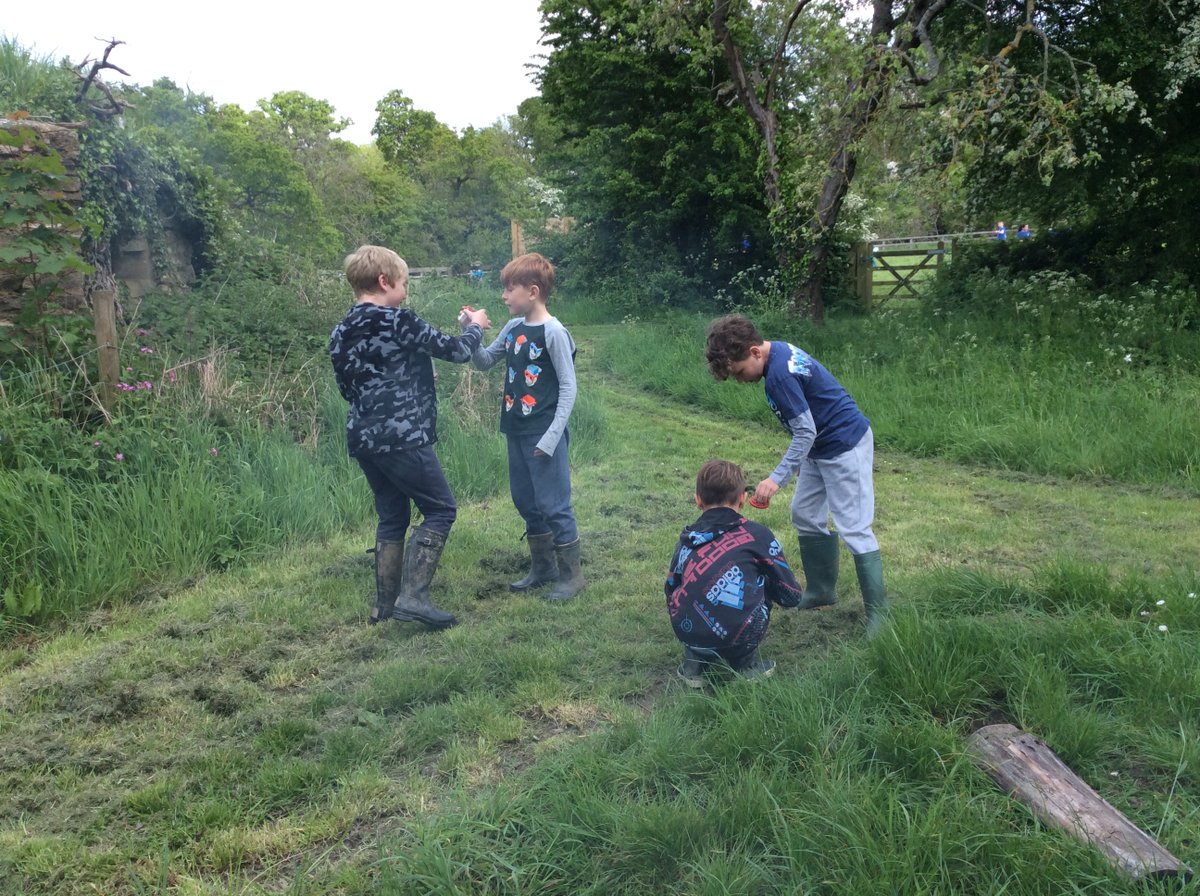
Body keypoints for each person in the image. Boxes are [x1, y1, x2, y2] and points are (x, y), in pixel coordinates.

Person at [329, 245, 491, 629]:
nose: (405, 292)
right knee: (441, 509)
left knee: (392, 515)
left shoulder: (340, 331)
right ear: (384, 282)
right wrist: (475, 327)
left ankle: (384, 607)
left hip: (364, 437)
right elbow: (454, 351)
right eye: (403, 284)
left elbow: (351, 388)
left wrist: (408, 379)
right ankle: (414, 598)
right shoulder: (397, 320)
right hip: (402, 436)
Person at [704, 314, 888, 635]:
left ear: (755, 352)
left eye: (740, 371)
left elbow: (805, 431)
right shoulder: (778, 350)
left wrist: (776, 478)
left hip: (844, 445)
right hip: (819, 448)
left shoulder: (779, 376)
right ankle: (821, 591)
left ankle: (879, 614)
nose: (741, 380)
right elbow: (807, 426)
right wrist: (803, 460)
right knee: (804, 513)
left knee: (854, 527)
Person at [471, 252, 585, 601]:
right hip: (516, 430)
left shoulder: (554, 333)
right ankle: (543, 568)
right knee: (526, 501)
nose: (504, 296)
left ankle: (571, 577)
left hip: (543, 433)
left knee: (554, 504)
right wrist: (469, 332)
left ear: (532, 291)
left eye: (509, 289)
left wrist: (551, 438)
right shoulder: (513, 328)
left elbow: (568, 388)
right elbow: (484, 362)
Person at [665, 459, 803, 686]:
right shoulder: (758, 535)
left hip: (687, 632)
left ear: (697, 500)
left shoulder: (685, 541)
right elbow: (791, 595)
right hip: (741, 637)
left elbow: (670, 587)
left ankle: (694, 664)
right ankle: (745, 665)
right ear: (743, 499)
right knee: (762, 580)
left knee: (688, 591)